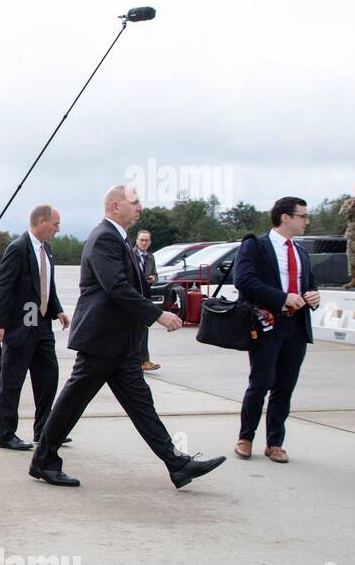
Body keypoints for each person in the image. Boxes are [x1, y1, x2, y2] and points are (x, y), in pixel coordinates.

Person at [30, 185, 226, 489]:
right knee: (72, 402)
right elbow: (117, 287)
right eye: (134, 202)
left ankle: (177, 465)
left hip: (119, 343)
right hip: (101, 340)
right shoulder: (104, 237)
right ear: (113, 206)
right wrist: (157, 315)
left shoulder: (120, 240)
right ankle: (43, 460)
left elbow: (131, 287)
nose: (140, 207)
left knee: (141, 404)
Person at [233, 196, 321, 463]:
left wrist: (313, 296)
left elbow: (310, 285)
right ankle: (246, 437)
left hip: (296, 325)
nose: (307, 221)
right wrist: (282, 297)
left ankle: (275, 443)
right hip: (267, 323)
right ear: (286, 217)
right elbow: (244, 281)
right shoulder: (255, 246)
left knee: (285, 386)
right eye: (303, 216)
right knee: (260, 383)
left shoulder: (301, 252)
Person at [0, 206, 69, 451]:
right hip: (20, 326)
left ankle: (44, 429)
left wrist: (58, 310)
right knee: (12, 382)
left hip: (42, 324)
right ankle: (5, 434)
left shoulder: (47, 249)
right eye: (55, 224)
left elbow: (46, 286)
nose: (58, 229)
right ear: (41, 221)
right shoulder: (18, 248)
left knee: (48, 377)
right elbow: (2, 288)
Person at [133, 231, 159, 370]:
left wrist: (154, 279)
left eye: (147, 240)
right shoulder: (131, 254)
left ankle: (143, 360)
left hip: (145, 296)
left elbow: (154, 274)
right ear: (137, 241)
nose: (144, 243)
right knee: (135, 329)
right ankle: (139, 359)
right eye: (142, 240)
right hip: (133, 296)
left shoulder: (150, 257)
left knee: (143, 328)